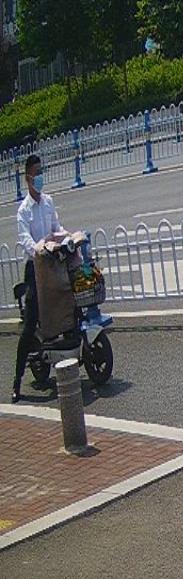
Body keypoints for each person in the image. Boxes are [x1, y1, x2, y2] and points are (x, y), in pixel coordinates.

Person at [12, 154, 68, 403]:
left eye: (41, 171)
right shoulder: (24, 211)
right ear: (28, 178)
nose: (40, 177)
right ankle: (17, 382)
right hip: (35, 267)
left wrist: (65, 236)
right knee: (30, 323)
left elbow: (56, 227)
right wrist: (39, 246)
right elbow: (26, 241)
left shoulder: (48, 202)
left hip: (52, 262)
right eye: (36, 173)